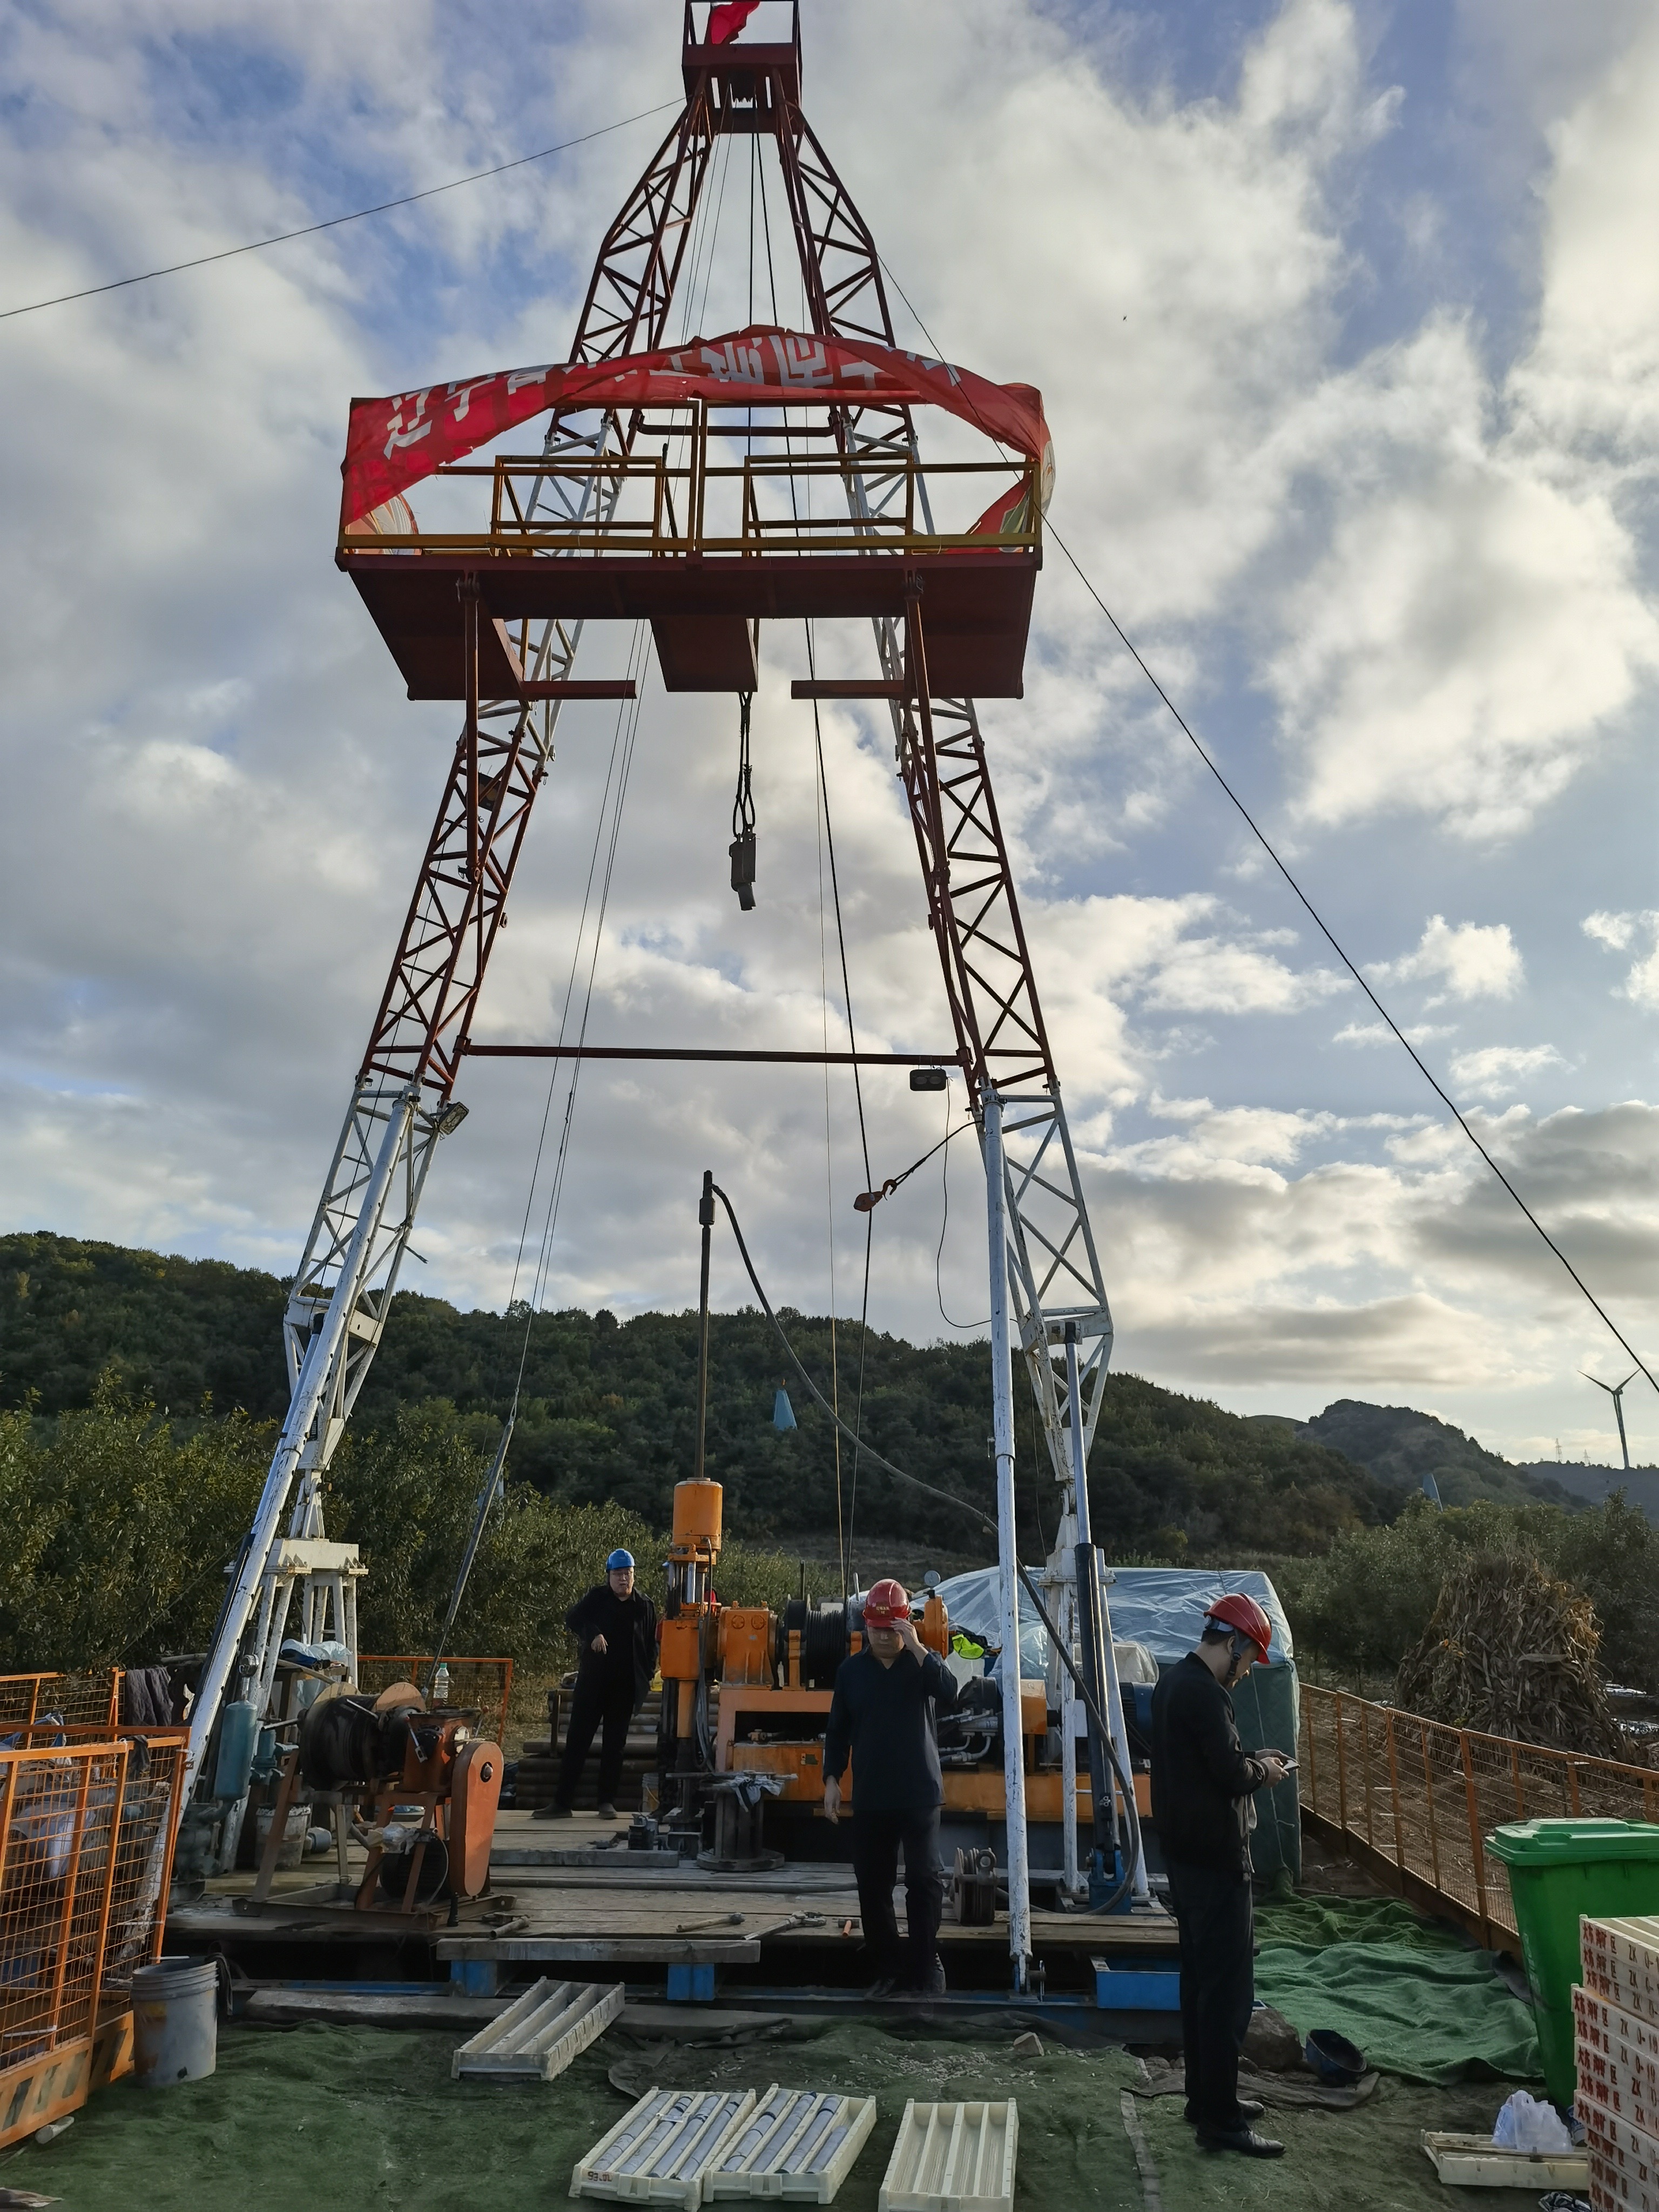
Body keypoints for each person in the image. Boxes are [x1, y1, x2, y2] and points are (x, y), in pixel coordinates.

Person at [1150, 1591, 1293, 2159]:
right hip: (1217, 1864)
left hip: (1185, 1860)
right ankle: (1222, 2121)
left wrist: (1248, 1758)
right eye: (1251, 1658)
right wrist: (1265, 1768)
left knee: (1199, 1986)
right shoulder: (1207, 1695)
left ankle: (1203, 2097)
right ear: (1233, 1644)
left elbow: (1209, 1762)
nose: (1249, 1671)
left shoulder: (1171, 1683)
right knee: (1228, 1997)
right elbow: (1233, 1775)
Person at [822, 1578, 961, 1998]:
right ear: (866, 1627)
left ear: (905, 1625)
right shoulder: (852, 1673)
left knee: (924, 1879)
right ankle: (887, 1967)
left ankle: (926, 1964)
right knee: (873, 1883)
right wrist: (831, 1780)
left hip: (919, 1792)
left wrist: (919, 1648)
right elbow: (837, 1731)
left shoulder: (923, 1665)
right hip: (872, 1793)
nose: (884, 1636)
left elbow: (950, 1691)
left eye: (893, 1628)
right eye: (877, 1629)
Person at [542, 1548, 658, 1820]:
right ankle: (562, 1803)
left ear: (634, 1576)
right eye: (618, 1574)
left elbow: (651, 1646)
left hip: (625, 1687)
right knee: (577, 1742)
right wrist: (593, 1633)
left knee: (614, 1746)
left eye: (628, 1574)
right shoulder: (597, 1598)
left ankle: (606, 1802)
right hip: (593, 1683)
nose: (623, 1579)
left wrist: (647, 1673)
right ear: (609, 1576)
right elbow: (574, 1619)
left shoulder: (645, 1605)